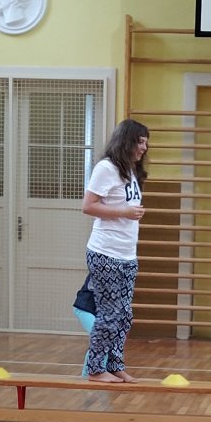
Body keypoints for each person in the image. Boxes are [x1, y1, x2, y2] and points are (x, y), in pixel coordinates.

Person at [82, 119, 147, 383]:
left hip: (127, 255)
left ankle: (115, 364)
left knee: (124, 315)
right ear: (127, 141)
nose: (144, 147)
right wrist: (123, 212)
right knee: (109, 313)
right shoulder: (106, 168)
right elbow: (88, 206)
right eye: (140, 142)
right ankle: (95, 369)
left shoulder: (130, 169)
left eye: (146, 143)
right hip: (105, 253)